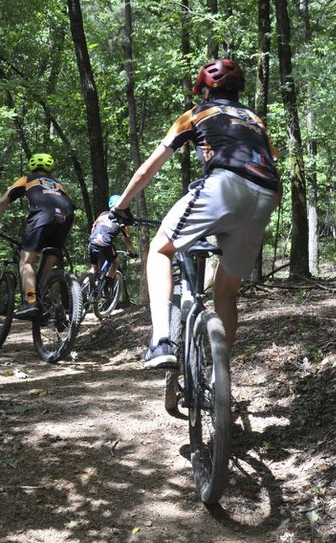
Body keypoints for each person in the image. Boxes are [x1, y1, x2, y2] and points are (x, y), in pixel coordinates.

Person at [111, 59, 280, 368]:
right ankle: (219, 373)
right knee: (226, 292)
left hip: (224, 185)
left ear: (203, 90)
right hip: (266, 194)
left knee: (161, 249)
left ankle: (162, 341)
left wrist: (121, 206)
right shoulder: (255, 120)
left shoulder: (196, 114)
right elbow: (270, 164)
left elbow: (148, 168)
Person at [0, 153, 75, 318]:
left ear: (33, 166)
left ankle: (31, 302)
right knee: (46, 269)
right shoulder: (60, 185)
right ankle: (48, 308)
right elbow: (71, 207)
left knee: (26, 263)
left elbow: (3, 201)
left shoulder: (27, 179)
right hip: (65, 221)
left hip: (42, 217)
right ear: (50, 168)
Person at [88, 195, 137, 288]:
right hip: (105, 243)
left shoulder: (103, 214)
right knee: (116, 262)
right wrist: (133, 252)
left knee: (93, 269)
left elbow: (93, 227)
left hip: (93, 241)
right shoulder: (123, 221)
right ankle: (106, 286)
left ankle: (80, 289)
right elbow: (127, 240)